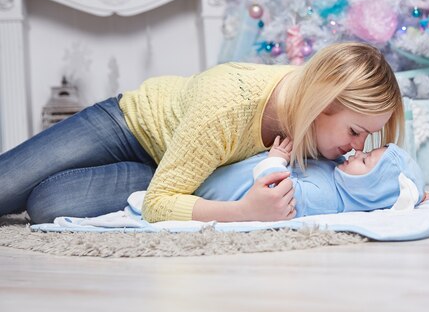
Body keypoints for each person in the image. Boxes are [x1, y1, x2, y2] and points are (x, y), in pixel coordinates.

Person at [0, 42, 405, 224]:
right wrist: (243, 212)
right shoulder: (230, 105)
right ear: (322, 104)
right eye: (355, 132)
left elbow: (366, 183)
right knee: (8, 184)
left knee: (47, 204)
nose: (356, 149)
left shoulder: (320, 136)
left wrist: (404, 190)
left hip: (165, 166)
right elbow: (158, 205)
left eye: (367, 139)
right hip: (130, 124)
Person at [193, 136, 429, 218]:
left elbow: (273, 191)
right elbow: (399, 193)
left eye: (365, 160)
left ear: (372, 189)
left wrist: (276, 159)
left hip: (214, 191)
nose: (357, 152)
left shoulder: (326, 199)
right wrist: (418, 196)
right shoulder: (342, 176)